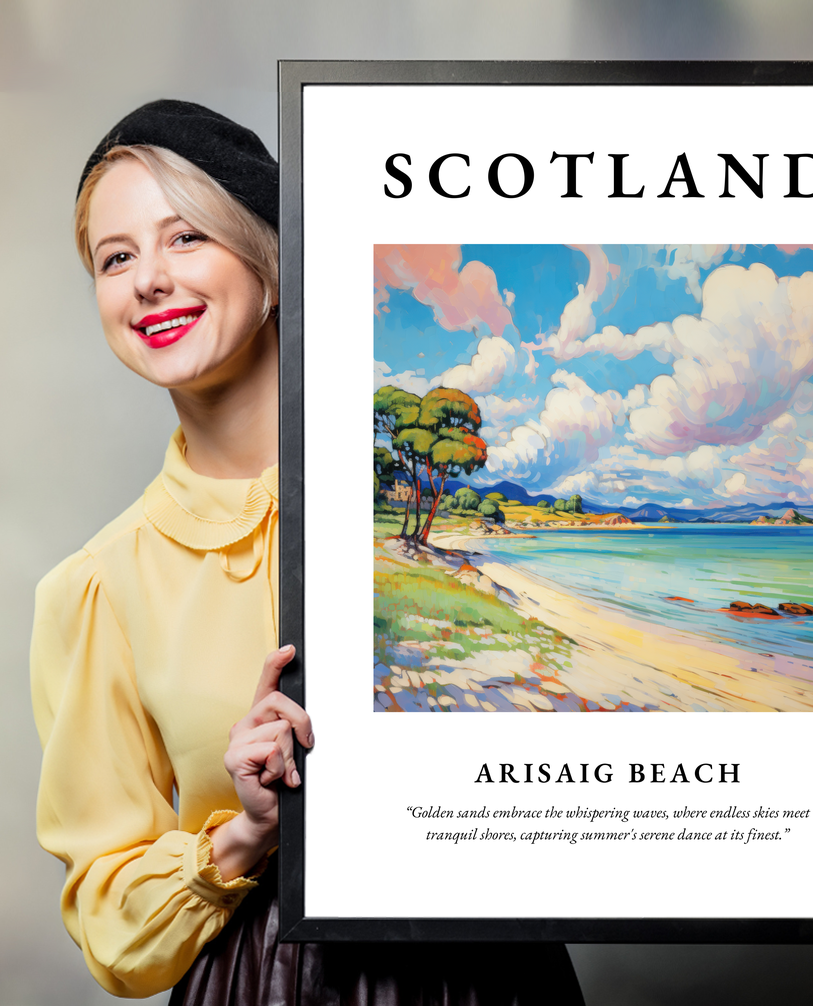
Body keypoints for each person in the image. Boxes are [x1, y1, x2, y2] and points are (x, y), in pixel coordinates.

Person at [30, 100, 585, 1004]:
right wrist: (244, 832)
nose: (148, 281)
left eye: (185, 239)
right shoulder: (97, 587)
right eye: (116, 257)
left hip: (495, 974)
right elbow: (110, 923)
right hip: (263, 982)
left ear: (273, 264)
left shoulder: (411, 512)